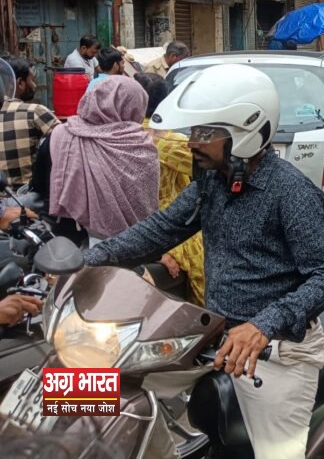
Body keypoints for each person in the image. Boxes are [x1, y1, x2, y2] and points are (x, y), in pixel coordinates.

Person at [82, 64, 324, 459]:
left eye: (204, 133)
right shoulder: (213, 181)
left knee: (280, 456)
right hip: (215, 336)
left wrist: (263, 326)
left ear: (244, 131)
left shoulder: (290, 192)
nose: (191, 143)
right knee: (88, 389)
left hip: (275, 351)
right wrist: (87, 260)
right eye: (193, 132)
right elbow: (164, 228)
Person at [42, 76, 159, 242]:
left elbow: (39, 185)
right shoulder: (143, 146)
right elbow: (146, 201)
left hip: (67, 239)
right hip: (132, 243)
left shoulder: (60, 135)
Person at [135, 73, 205, 306]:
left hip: (130, 224)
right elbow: (209, 167)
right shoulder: (168, 142)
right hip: (172, 224)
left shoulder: (118, 136)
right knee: (208, 279)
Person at [0, 57, 60, 187]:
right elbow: (68, 144)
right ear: (20, 83)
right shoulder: (34, 112)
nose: (35, 85)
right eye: (32, 80)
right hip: (28, 196)